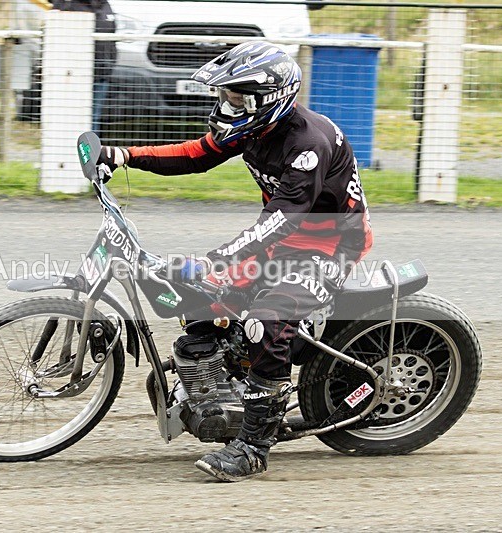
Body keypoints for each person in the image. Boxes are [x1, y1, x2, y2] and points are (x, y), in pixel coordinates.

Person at [98, 41, 374, 482]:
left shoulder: (308, 144)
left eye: (237, 97)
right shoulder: (255, 127)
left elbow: (282, 218)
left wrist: (219, 259)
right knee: (203, 297)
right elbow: (196, 155)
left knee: (267, 322)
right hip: (283, 238)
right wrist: (125, 155)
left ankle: (253, 448)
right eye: (226, 95)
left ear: (269, 98)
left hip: (328, 246)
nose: (228, 105)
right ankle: (218, 382)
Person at [51, 0, 117, 135]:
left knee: (93, 119)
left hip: (101, 75)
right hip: (74, 77)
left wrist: (109, 64)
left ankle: (89, 149)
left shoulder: (105, 6)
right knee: (70, 120)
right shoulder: (66, 5)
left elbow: (112, 39)